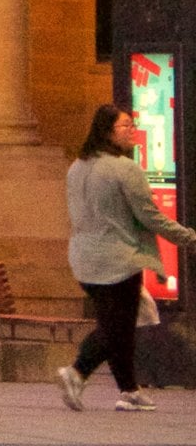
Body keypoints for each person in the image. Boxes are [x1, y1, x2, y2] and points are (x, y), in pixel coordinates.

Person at [57, 103, 196, 412]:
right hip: (118, 260)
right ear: (108, 132)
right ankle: (77, 371)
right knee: (116, 328)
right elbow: (149, 216)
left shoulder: (76, 167)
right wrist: (188, 237)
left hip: (83, 259)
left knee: (117, 325)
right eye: (126, 127)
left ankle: (129, 391)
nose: (133, 132)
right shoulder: (124, 169)